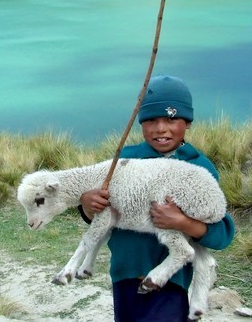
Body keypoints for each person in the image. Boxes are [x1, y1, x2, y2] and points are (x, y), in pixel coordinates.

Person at [78, 75, 236, 322]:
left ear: (188, 122)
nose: (161, 128)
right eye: (151, 120)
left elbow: (221, 233)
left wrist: (181, 223)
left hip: (170, 283)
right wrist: (87, 206)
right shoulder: (125, 161)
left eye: (171, 119)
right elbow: (105, 213)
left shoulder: (200, 169)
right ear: (140, 123)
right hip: (124, 277)